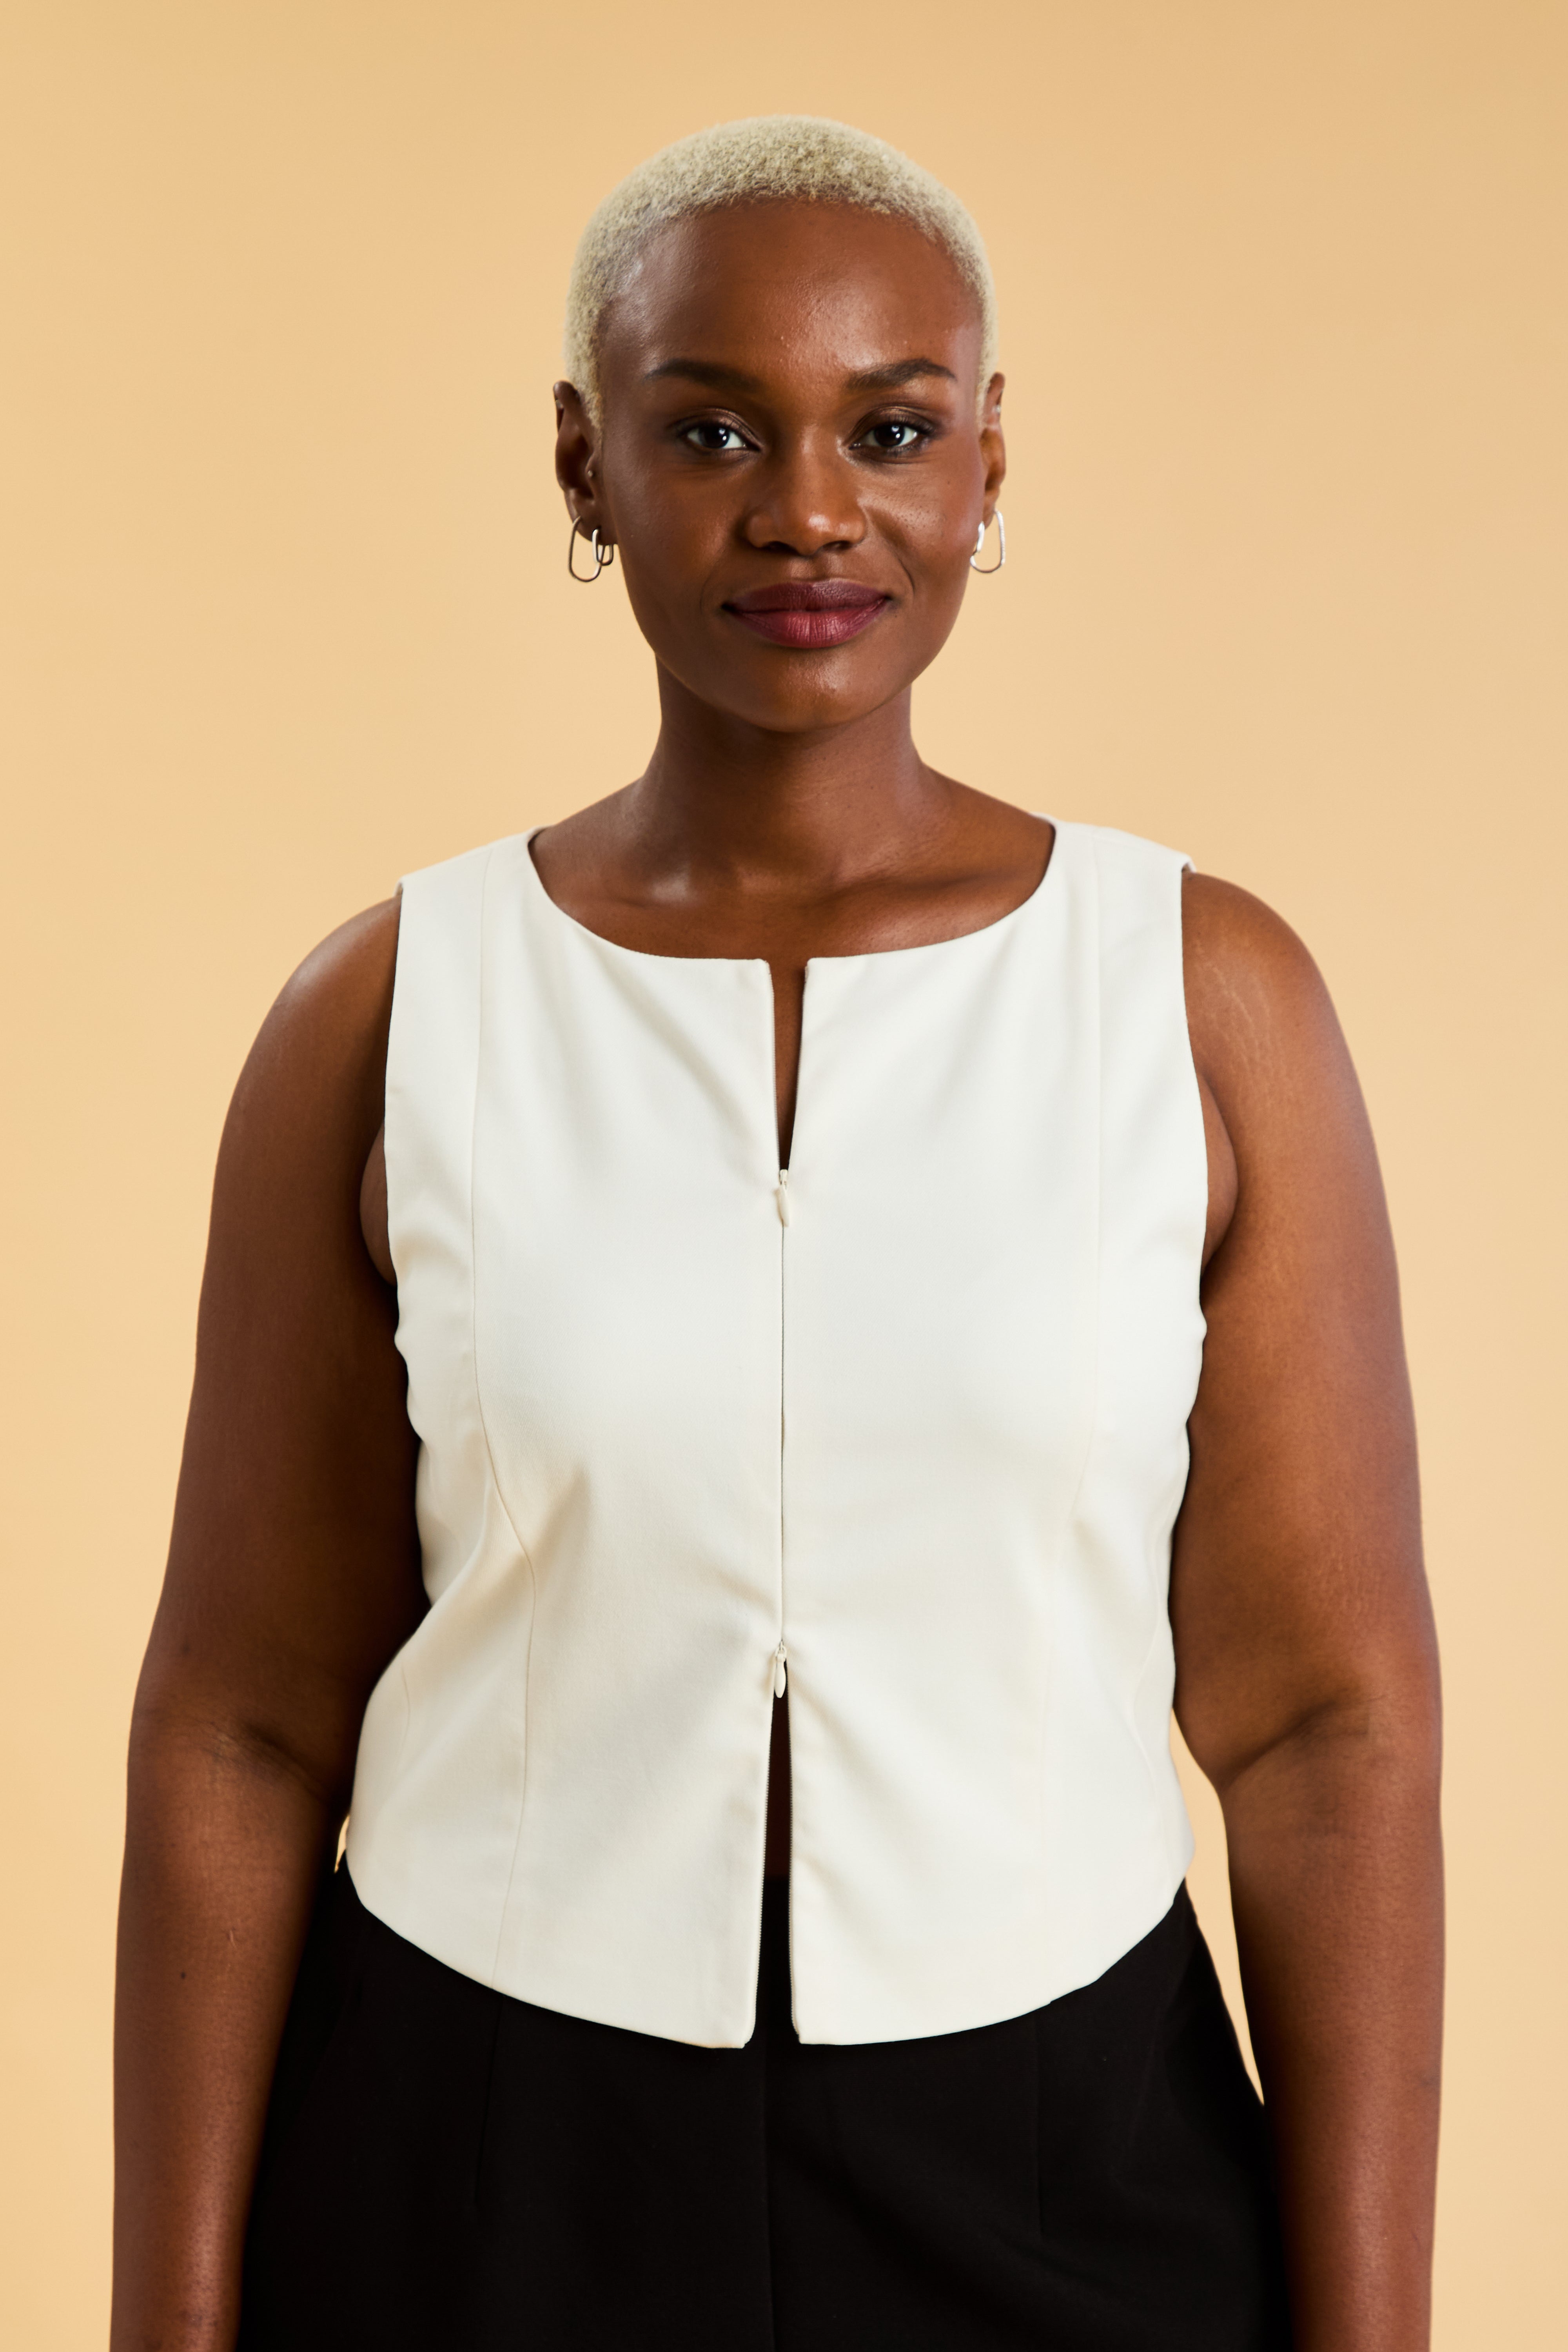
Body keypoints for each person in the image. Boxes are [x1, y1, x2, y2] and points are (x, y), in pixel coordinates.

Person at [111, 116, 1442, 2352]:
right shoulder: (392, 1011)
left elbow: (1327, 1724)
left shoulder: (1202, 1002)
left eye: (891, 430)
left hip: (1064, 2159)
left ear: (989, 463)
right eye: (710, 426)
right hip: (474, 2157)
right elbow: (239, 1728)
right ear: (582, 464)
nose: (810, 509)